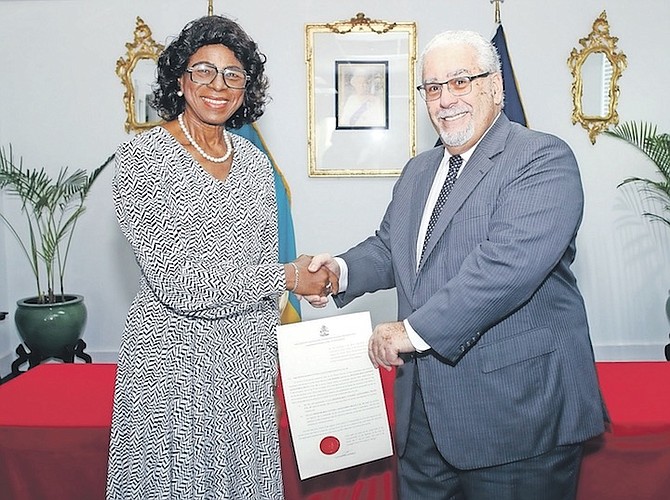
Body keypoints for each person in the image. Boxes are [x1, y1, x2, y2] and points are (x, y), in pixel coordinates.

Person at [305, 30, 606, 499]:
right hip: (424, 418)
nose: (446, 99)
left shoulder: (542, 158)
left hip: (517, 422)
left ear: (495, 85)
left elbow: (505, 269)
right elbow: (391, 249)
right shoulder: (418, 171)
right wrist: (339, 270)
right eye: (433, 87)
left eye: (460, 82)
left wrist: (408, 332)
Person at [106, 15, 336, 500]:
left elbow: (261, 263)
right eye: (203, 71)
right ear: (179, 78)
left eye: (233, 74)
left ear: (246, 86)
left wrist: (303, 283)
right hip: (175, 376)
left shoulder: (253, 161)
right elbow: (181, 284)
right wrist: (288, 277)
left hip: (246, 376)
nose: (219, 85)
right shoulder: (142, 158)